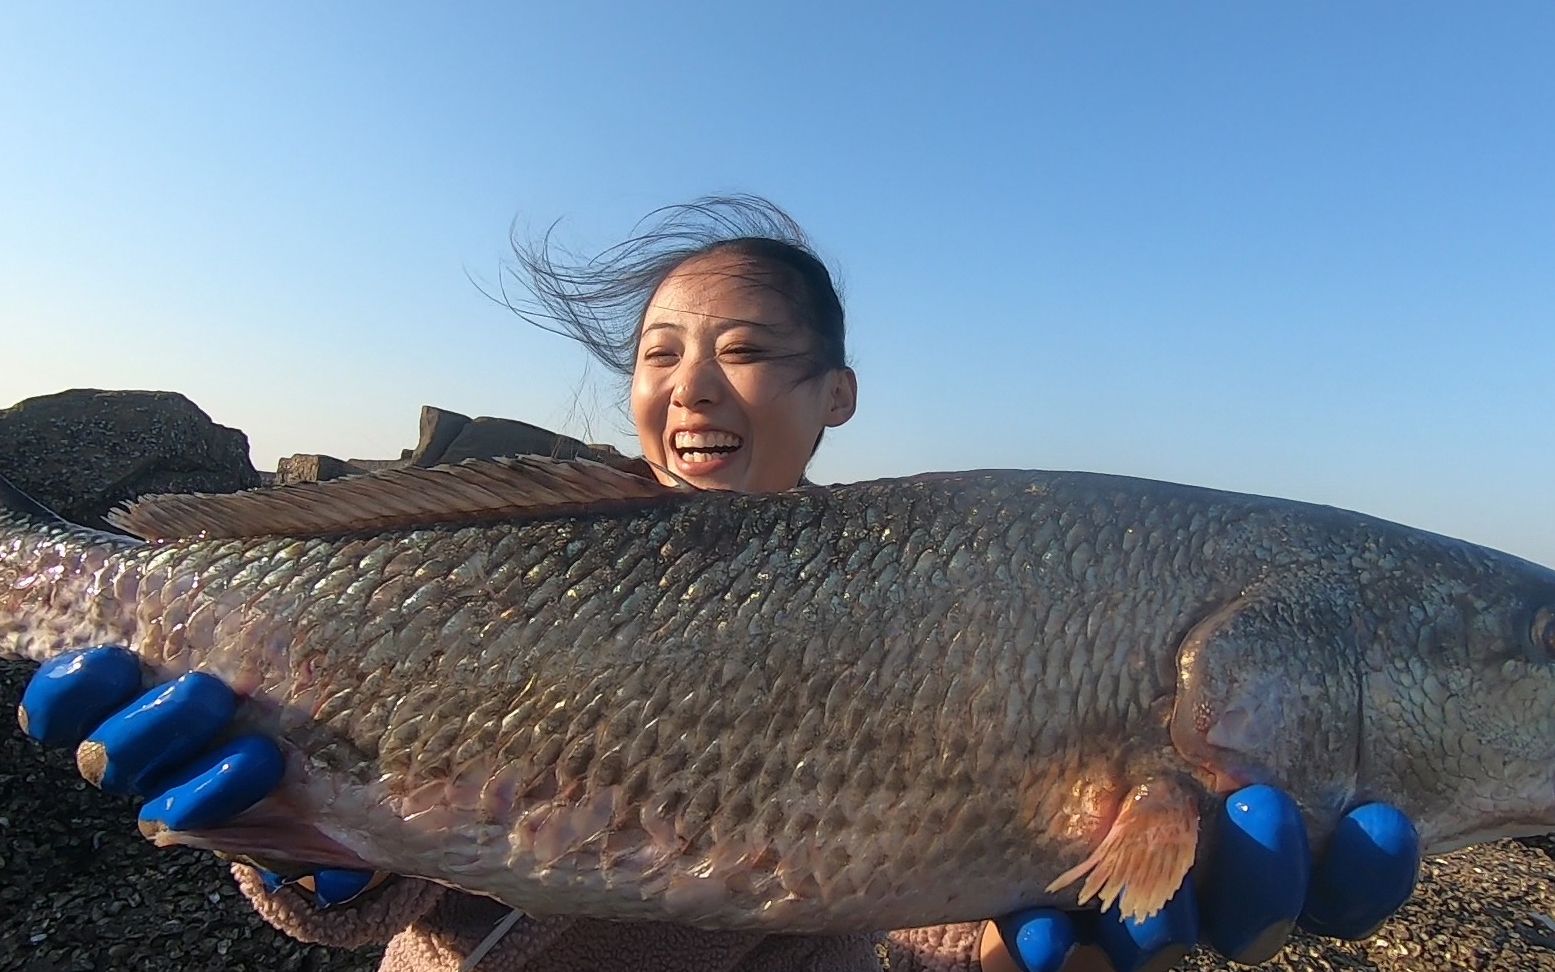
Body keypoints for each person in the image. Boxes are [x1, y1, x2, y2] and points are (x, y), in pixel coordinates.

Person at [19, 196, 1420, 972]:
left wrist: (1046, 941)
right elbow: (396, 879)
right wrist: (287, 848)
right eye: (657, 353)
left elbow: (907, 914)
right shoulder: (522, 556)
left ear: (836, 395)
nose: (688, 386)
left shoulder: (954, 599)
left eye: (745, 349)